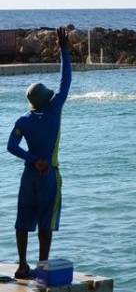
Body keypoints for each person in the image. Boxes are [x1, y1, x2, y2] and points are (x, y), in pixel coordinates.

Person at [7, 26, 72, 280]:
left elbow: (11, 147)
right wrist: (63, 49)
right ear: (46, 98)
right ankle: (42, 267)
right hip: (49, 176)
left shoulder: (24, 119)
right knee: (46, 224)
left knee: (22, 222)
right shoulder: (54, 110)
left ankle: (22, 266)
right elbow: (65, 80)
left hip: (29, 175)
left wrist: (33, 160)